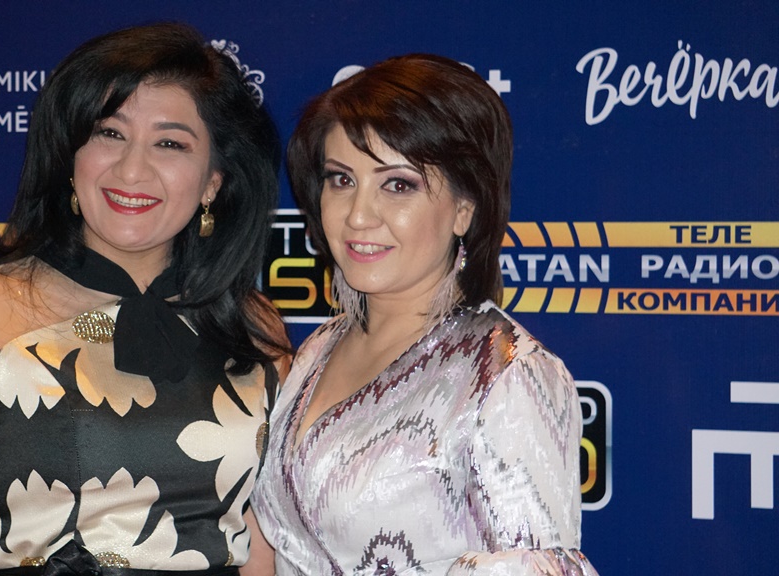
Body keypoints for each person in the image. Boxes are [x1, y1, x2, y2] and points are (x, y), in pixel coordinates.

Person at [0, 22, 289, 576]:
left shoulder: (252, 325)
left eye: (170, 143)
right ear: (71, 159)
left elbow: (261, 547)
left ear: (213, 181)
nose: (132, 169)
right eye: (109, 134)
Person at [250, 54, 599, 575]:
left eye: (398, 185)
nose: (358, 216)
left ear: (465, 208)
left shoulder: (507, 375)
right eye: (341, 180)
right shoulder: (319, 348)